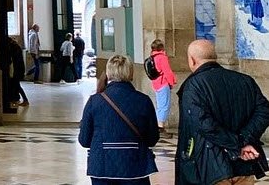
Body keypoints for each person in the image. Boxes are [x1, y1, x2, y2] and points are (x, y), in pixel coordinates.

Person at [175, 40, 269, 184]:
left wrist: (239, 144)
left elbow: (204, 125)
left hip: (211, 168)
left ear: (192, 60)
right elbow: (264, 111)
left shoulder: (193, 86)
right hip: (244, 165)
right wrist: (245, 139)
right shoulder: (244, 80)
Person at [78, 55, 159, 184]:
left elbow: (84, 140)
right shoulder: (143, 101)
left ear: (108, 74)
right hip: (135, 167)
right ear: (131, 74)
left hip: (102, 167)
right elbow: (152, 138)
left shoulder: (95, 101)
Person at [148, 39, 176, 132]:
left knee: (160, 105)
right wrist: (171, 82)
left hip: (156, 83)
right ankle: (160, 126)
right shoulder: (162, 57)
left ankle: (157, 124)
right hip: (163, 82)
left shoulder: (152, 57)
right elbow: (167, 71)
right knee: (165, 105)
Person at [7, 37, 29, 106]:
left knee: (17, 85)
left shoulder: (14, 47)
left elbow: (13, 59)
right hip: (17, 69)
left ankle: (25, 100)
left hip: (16, 70)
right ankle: (15, 98)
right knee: (15, 85)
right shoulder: (16, 47)